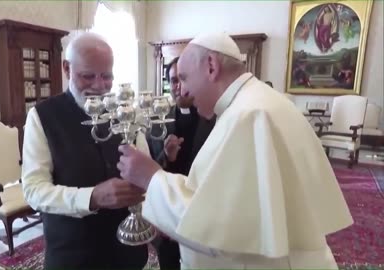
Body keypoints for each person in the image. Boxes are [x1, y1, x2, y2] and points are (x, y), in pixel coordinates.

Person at [117, 32, 353, 269]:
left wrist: (151, 178)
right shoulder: (257, 101)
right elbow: (224, 198)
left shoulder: (248, 115)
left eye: (185, 78)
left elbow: (218, 228)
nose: (183, 91)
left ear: (211, 66)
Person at [21, 32, 148, 270]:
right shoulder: (42, 116)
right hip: (72, 255)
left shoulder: (127, 113)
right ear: (67, 68)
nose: (99, 86)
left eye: (107, 76)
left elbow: (146, 167)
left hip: (128, 253)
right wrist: (92, 198)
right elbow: (34, 190)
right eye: (87, 76)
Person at [148, 57, 215, 270]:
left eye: (183, 79)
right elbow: (151, 166)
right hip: (169, 214)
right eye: (173, 80)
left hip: (203, 210)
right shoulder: (158, 121)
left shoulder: (214, 117)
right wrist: (167, 156)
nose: (178, 86)